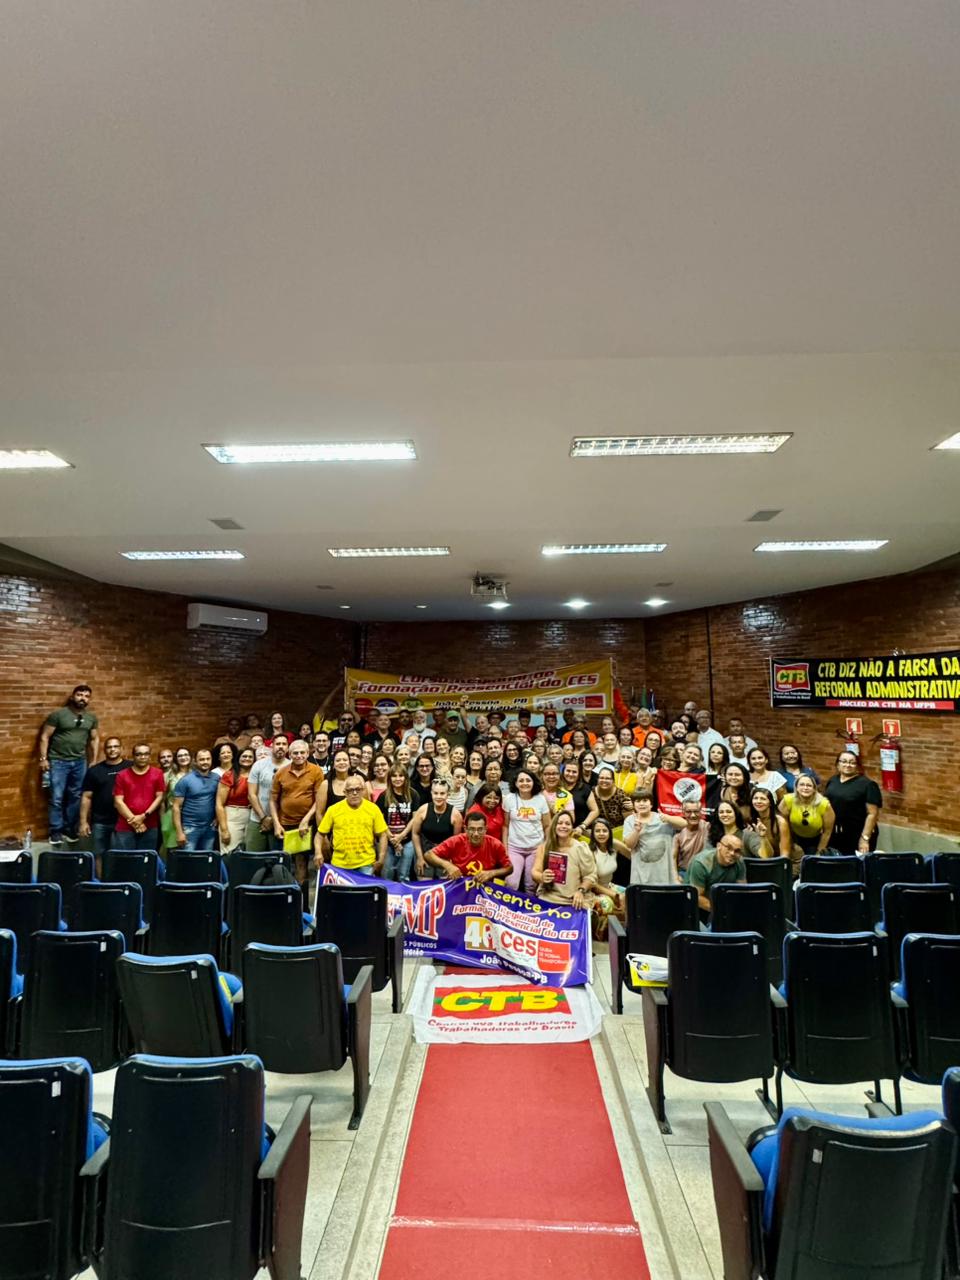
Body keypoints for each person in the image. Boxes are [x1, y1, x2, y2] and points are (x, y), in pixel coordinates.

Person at [39, 684, 100, 846]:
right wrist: (43, 759)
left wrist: (94, 760)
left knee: (76, 796)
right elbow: (45, 736)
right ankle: (56, 831)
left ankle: (70, 829)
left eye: (86, 696)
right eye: (80, 695)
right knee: (57, 798)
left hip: (80, 762)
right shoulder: (58, 715)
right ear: (73, 697)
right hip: (58, 761)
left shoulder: (91, 718)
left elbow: (94, 739)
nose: (83, 698)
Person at [269, 740, 325, 889]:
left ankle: (301, 898)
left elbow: (319, 800)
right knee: (283, 863)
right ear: (289, 754)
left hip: (306, 825)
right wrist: (276, 824)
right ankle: (286, 895)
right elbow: (273, 800)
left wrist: (306, 820)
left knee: (301, 863)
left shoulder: (316, 771)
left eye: (302, 752)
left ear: (307, 754)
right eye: (295, 753)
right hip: (284, 824)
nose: (299, 755)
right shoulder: (281, 772)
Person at [314, 774, 388, 875]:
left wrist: (381, 859)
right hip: (339, 864)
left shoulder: (373, 809)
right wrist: (318, 853)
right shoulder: (333, 810)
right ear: (344, 792)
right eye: (350, 790)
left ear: (363, 790)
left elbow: (383, 835)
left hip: (366, 864)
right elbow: (319, 835)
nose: (354, 793)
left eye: (358, 789)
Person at [79, 737, 131, 864]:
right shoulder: (94, 771)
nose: (112, 749)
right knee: (99, 853)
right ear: (104, 750)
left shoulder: (131, 767)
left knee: (125, 854)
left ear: (121, 749)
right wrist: (83, 822)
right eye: (109, 747)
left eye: (115, 746)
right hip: (100, 821)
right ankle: (102, 878)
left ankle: (121, 877)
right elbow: (86, 797)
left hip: (125, 819)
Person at [533, 811, 599, 908]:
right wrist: (542, 877)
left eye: (567, 824)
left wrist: (581, 891)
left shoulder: (580, 848)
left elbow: (590, 875)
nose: (563, 826)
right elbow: (535, 872)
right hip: (549, 896)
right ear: (554, 826)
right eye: (560, 823)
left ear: (572, 827)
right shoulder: (544, 847)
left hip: (575, 899)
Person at [426, 811, 512, 883]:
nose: (476, 834)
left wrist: (491, 873)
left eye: (480, 829)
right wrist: (447, 865)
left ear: (485, 829)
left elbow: (509, 868)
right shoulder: (456, 841)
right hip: (459, 884)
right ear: (465, 829)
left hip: (485, 887)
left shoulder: (495, 844)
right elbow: (428, 855)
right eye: (472, 829)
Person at [502, 769, 551, 892]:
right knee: (511, 883)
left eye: (528, 780)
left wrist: (545, 846)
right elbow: (505, 825)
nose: (525, 783)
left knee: (531, 885)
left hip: (535, 848)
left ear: (533, 782)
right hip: (514, 847)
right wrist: (505, 848)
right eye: (521, 781)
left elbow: (547, 825)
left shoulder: (541, 799)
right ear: (516, 783)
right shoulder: (509, 799)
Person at [824, 751, 882, 853]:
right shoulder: (833, 780)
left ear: (857, 766)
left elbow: (872, 814)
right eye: (844, 761)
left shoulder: (868, 785)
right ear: (838, 764)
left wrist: (864, 839)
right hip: (835, 833)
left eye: (852, 762)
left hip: (857, 833)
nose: (848, 765)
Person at [113, 744, 165, 850]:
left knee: (146, 858)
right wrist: (135, 821)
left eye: (146, 754)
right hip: (125, 826)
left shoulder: (158, 773)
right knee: (125, 858)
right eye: (139, 754)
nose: (142, 757)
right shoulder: (122, 775)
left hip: (150, 825)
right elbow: (118, 802)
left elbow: (159, 797)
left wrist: (143, 816)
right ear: (133, 756)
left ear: (150, 756)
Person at [779, 773, 836, 871]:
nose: (805, 788)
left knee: (811, 867)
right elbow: (782, 823)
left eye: (809, 785)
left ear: (814, 789)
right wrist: (789, 843)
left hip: (815, 840)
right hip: (793, 838)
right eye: (802, 785)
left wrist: (819, 852)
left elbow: (827, 832)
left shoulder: (824, 804)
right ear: (796, 787)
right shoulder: (788, 800)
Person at [410, 778, 463, 877]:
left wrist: (451, 862)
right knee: (425, 884)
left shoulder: (456, 815)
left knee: (444, 884)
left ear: (448, 794)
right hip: (424, 851)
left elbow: (456, 841)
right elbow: (415, 834)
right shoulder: (422, 810)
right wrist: (420, 858)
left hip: (445, 855)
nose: (438, 797)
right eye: (435, 793)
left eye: (442, 793)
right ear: (431, 793)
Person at [622, 791, 675, 886]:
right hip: (640, 875)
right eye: (638, 801)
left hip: (664, 875)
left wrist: (668, 818)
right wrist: (636, 830)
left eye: (645, 800)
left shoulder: (662, 818)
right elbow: (629, 845)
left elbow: (684, 824)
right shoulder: (629, 820)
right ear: (633, 805)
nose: (641, 804)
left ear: (651, 804)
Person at [246, 733, 288, 852]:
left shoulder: (291, 766)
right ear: (271, 746)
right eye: (278, 744)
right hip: (257, 818)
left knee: (278, 859)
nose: (281, 746)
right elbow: (251, 794)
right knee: (253, 857)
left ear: (288, 747)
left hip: (281, 821)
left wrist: (274, 820)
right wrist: (264, 818)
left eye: (284, 744)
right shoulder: (259, 765)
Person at [171, 748, 219, 851]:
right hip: (190, 827)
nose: (205, 762)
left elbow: (219, 801)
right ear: (195, 761)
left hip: (210, 827)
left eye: (208, 759)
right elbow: (176, 807)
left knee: (206, 858)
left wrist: (217, 817)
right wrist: (179, 832)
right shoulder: (185, 781)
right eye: (202, 759)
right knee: (189, 858)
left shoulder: (216, 778)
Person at [688, 833, 747, 917]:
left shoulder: (739, 862)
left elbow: (742, 891)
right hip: (698, 907)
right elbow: (697, 897)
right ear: (719, 846)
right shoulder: (701, 863)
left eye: (737, 851)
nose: (732, 853)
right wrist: (722, 911)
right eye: (728, 848)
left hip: (725, 905)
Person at [378, 766, 419, 880]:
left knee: (403, 875)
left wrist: (401, 836)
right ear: (389, 778)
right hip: (388, 842)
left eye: (401, 776)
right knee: (387, 874)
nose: (397, 779)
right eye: (394, 776)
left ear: (406, 778)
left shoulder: (413, 794)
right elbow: (379, 820)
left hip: (407, 841)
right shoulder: (384, 795)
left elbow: (415, 819)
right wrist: (392, 838)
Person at [216, 747, 255, 854]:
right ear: (238, 758)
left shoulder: (256, 775)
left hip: (252, 817)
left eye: (250, 757)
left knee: (247, 853)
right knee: (230, 853)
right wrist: (224, 829)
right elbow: (219, 804)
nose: (247, 759)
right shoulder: (229, 775)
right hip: (232, 816)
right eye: (244, 756)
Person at [747, 786, 791, 860]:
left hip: (786, 860)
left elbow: (785, 853)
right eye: (755, 798)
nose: (758, 801)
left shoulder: (780, 822)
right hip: (764, 859)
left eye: (763, 799)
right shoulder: (750, 820)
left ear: (770, 802)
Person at [672, 799, 711, 882]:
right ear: (683, 812)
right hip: (684, 872)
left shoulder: (707, 827)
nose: (693, 815)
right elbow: (673, 857)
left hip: (705, 872)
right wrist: (676, 878)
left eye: (696, 811)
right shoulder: (678, 832)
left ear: (701, 812)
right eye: (688, 812)